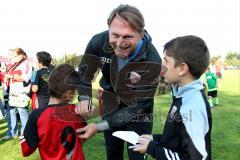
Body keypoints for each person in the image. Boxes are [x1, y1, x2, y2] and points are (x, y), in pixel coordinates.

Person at [76, 4, 162, 160]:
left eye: (128, 36)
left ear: (141, 34)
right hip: (110, 104)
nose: (120, 43)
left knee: (137, 154)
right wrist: (84, 97)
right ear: (108, 28)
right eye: (115, 35)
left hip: (138, 113)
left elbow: (139, 106)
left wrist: (99, 126)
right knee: (113, 153)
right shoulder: (98, 42)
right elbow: (84, 72)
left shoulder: (152, 60)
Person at [133, 35, 212, 160]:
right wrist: (154, 139)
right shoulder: (182, 95)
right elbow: (177, 139)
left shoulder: (191, 106)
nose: (162, 65)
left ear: (181, 68)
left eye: (166, 61)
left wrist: (151, 148)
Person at [20, 64, 86, 160]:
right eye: (75, 91)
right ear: (69, 94)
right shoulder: (76, 111)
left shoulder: (37, 116)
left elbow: (26, 150)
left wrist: (24, 134)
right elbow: (83, 137)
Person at [2, 48, 32, 140]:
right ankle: (12, 133)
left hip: (21, 93)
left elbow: (26, 77)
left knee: (22, 113)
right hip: (12, 93)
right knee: (11, 113)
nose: (13, 58)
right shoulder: (14, 64)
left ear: (21, 55)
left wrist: (11, 76)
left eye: (15, 56)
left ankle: (25, 134)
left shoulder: (27, 64)